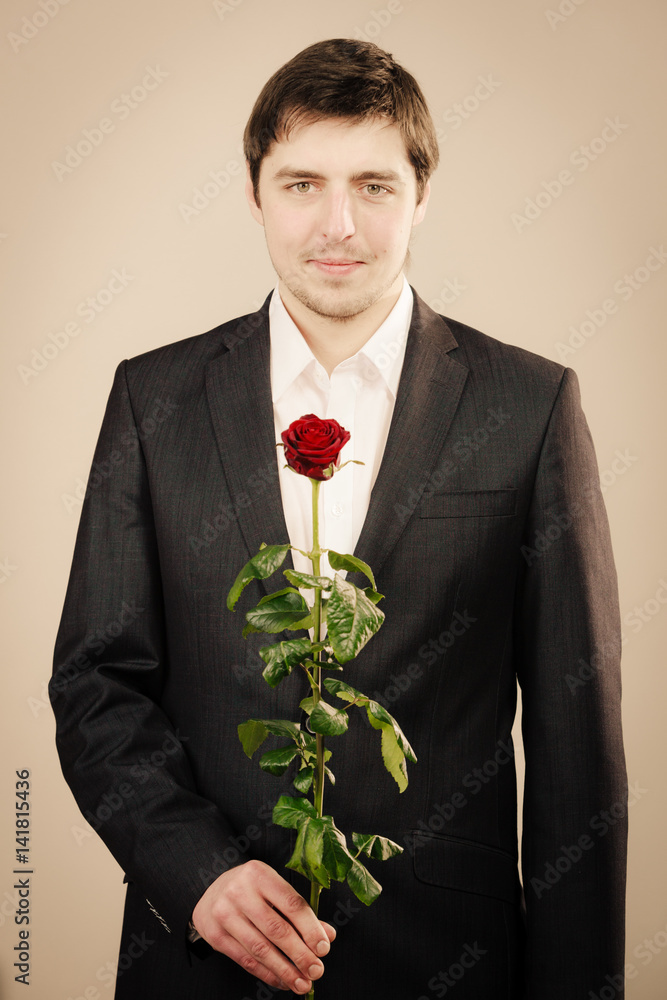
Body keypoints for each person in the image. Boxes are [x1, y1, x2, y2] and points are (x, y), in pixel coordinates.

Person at [50, 38, 627, 999]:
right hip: (201, 966)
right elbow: (95, 681)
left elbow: (578, 754)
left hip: (449, 961)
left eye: (373, 184)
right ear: (253, 194)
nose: (337, 224)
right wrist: (197, 875)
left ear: (421, 194)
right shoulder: (153, 401)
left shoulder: (529, 406)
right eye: (301, 183)